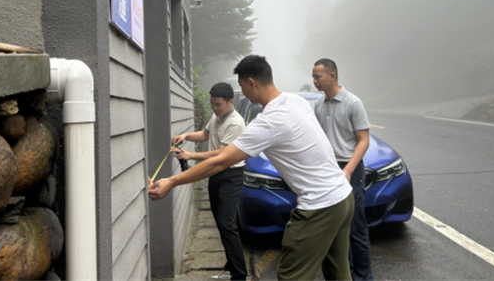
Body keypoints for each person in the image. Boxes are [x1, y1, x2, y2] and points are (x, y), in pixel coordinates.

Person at [150, 55, 354, 281]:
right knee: (338, 273)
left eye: (241, 86)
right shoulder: (296, 101)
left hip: (320, 205)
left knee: (290, 276)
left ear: (251, 83)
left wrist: (171, 181)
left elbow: (220, 161)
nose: (242, 92)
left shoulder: (269, 121)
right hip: (343, 196)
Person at [171, 82, 247, 281]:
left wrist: (190, 156)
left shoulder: (235, 123)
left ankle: (239, 275)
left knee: (227, 223)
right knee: (221, 223)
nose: (214, 108)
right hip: (217, 174)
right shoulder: (217, 116)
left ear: (230, 102)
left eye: (218, 104)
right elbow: (205, 134)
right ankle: (231, 268)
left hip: (231, 175)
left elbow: (222, 153)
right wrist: (186, 135)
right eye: (212, 104)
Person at [312, 58, 373, 281]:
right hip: (328, 171)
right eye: (313, 77)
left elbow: (364, 140)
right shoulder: (318, 105)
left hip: (350, 169)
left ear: (332, 76)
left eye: (317, 76)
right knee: (336, 230)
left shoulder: (353, 103)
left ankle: (364, 278)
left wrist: (347, 170)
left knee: (356, 228)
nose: (314, 81)